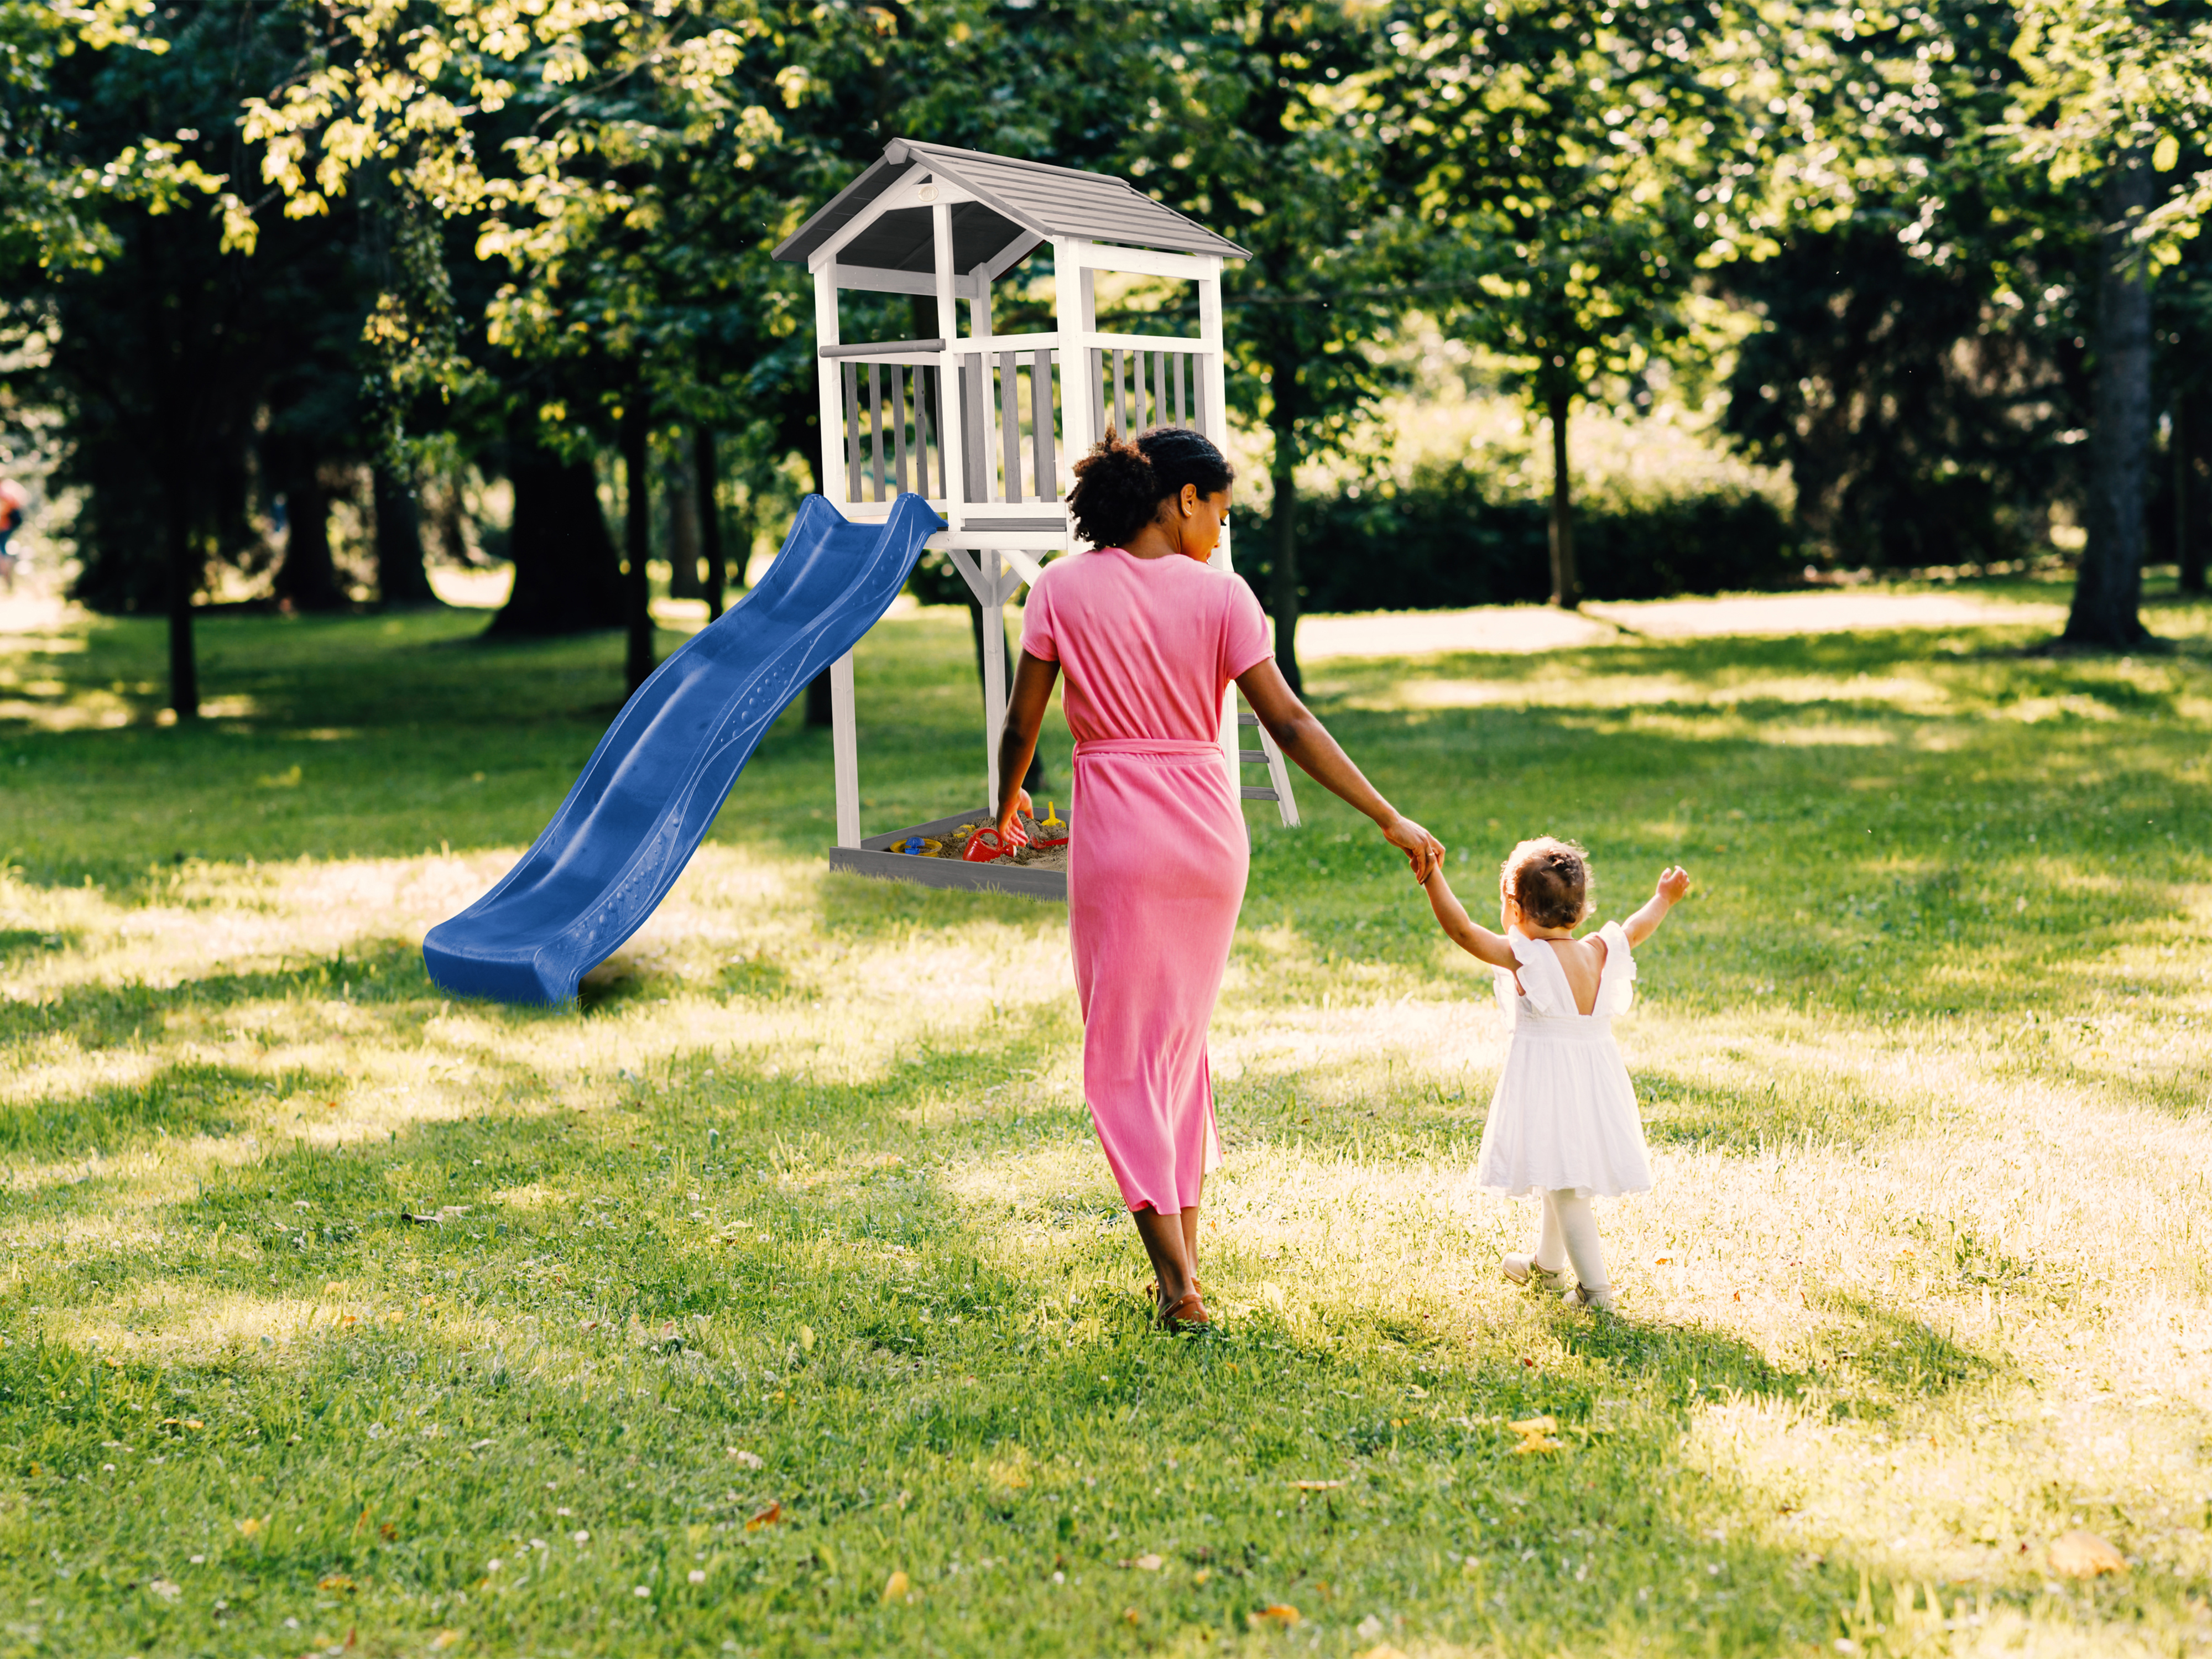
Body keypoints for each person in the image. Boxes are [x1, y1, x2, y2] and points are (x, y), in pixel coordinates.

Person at [992, 427, 1444, 1331]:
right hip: (1208, 838)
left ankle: (1177, 1286)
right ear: (1183, 499)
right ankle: (1186, 1267)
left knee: (1123, 1058)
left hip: (1119, 838)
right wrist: (1386, 814)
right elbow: (1290, 723)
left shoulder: (1059, 588)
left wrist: (1003, 808)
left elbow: (1021, 725)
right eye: (1222, 512)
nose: (1222, 533)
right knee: (1176, 1052)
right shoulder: (1224, 598)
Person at [1418, 838, 1691, 1311]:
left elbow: (1462, 931)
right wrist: (1663, 898)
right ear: (1581, 911)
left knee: (1566, 1188)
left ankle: (1595, 1292)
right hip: (1594, 1082)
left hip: (1551, 1084)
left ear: (1515, 908)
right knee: (1556, 1170)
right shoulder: (1599, 950)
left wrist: (1431, 876)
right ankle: (1547, 1266)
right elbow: (1636, 927)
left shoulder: (1527, 958)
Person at [0, 478, 27, 595]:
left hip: (7, 524)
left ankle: (6, 575)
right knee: (3, 549)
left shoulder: (4, 491)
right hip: (10, 523)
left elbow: (5, 509)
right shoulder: (8, 486)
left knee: (2, 550)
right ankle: (7, 577)